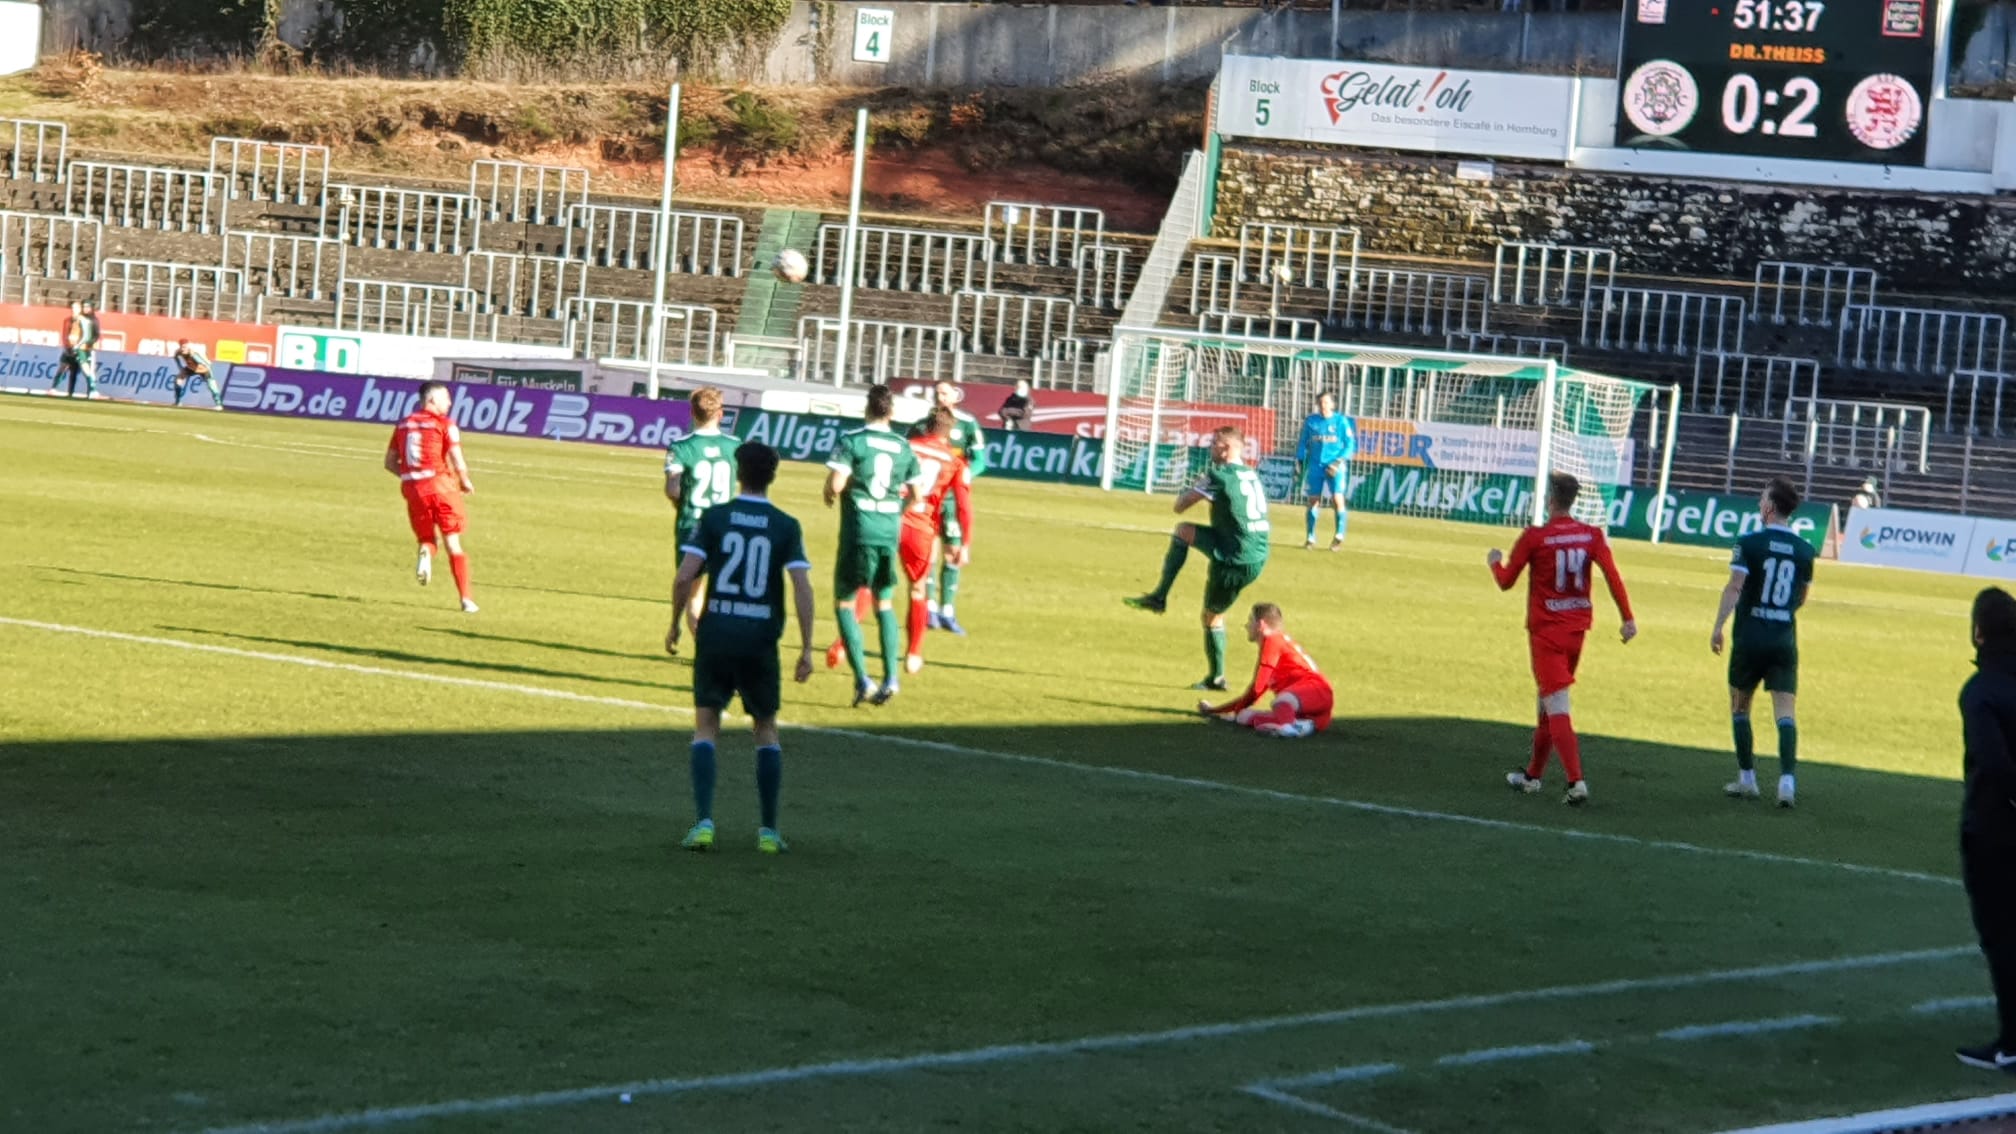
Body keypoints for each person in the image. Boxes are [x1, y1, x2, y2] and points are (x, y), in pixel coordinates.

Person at [668, 442, 815, 856]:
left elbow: (685, 577)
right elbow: (802, 586)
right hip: (760, 638)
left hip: (717, 634)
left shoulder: (715, 518)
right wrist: (806, 648)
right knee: (765, 730)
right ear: (773, 475)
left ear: (739, 473)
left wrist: (678, 622)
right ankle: (768, 833)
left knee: (706, 726)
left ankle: (703, 824)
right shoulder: (786, 525)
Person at [1490, 472, 1637, 805]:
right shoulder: (1591, 535)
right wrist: (1627, 617)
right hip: (1577, 631)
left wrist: (1494, 562)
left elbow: (1505, 581)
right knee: (1546, 703)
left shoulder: (1535, 537)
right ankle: (1532, 777)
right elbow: (1612, 574)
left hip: (1546, 632)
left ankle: (1576, 782)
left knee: (1556, 704)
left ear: (1550, 499)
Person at [1125, 425, 1272, 691]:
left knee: (1212, 617)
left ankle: (1216, 679)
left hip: (1235, 557)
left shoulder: (1218, 475)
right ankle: (1159, 596)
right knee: (1184, 532)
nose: (1210, 448)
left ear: (1226, 449)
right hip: (1255, 551)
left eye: (1215, 443)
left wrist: (1197, 485)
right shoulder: (1250, 473)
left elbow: (1180, 506)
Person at [1711, 477, 1816, 808]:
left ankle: (1747, 779)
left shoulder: (1749, 543)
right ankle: (1787, 783)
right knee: (1785, 712)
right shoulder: (1804, 549)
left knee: (1740, 707)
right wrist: (1780, 613)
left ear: (1770, 507)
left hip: (1750, 637)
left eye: (1761, 500)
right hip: (1784, 637)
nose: (1759, 504)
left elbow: (1734, 587)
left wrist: (1718, 626)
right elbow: (1802, 596)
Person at [826, 384, 922, 706]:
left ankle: (863, 680)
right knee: (884, 603)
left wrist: (829, 493)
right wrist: (896, 512)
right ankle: (891, 679)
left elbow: (836, 484)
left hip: (859, 532)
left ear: (867, 410)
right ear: (891, 412)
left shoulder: (853, 441)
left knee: (844, 603)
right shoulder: (903, 446)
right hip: (888, 532)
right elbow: (918, 496)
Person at [1957, 587, 2016, 1070]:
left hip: (1995, 831)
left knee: (2001, 935)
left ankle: (2013, 1038)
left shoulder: (1980, 693)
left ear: (1979, 633)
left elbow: (1995, 766)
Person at [385, 380, 478, 613]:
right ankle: (466, 600)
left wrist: (411, 477)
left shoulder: (404, 424)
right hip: (442, 486)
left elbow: (389, 462)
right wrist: (465, 480)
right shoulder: (445, 424)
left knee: (427, 539)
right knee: (453, 542)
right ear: (432, 400)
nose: (449, 402)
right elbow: (457, 457)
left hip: (413, 489)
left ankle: (426, 552)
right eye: (446, 397)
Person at [662, 387, 742, 653]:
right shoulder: (735, 447)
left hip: (693, 528)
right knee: (721, 596)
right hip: (725, 531)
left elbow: (673, 489)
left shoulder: (682, 447)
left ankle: (703, 647)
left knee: (693, 594)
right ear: (720, 414)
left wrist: (679, 501)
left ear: (691, 413)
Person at [1197, 602, 1334, 739]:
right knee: (1243, 717)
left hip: (1316, 691)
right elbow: (1255, 692)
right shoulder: (1275, 643)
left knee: (1280, 702)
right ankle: (1297, 725)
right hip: (1309, 711)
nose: (1246, 626)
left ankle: (1289, 727)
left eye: (1250, 620)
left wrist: (1222, 710)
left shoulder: (1272, 641)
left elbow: (1256, 690)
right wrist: (1219, 710)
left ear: (1261, 625)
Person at [920, 380, 987, 635]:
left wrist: (967, 474)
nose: (940, 397)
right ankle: (930, 607)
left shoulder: (967, 424)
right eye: (937, 393)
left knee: (953, 552)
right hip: (927, 497)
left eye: (944, 393)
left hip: (951, 498)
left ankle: (948, 610)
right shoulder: (922, 423)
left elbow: (980, 460)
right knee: (929, 553)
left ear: (955, 397)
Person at [1296, 390, 1357, 551]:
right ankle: (1310, 536)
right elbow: (1303, 443)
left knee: (1337, 499)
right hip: (1316, 466)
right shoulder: (1311, 421)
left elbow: (1350, 445)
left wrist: (1337, 462)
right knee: (1313, 500)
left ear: (1332, 404)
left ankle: (1339, 535)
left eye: (1326, 402)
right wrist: (1299, 460)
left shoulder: (1341, 422)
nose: (1323, 406)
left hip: (1335, 466)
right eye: (1321, 403)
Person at [51, 299, 98, 399]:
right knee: (63, 367)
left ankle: (93, 390)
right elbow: (65, 334)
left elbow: (86, 335)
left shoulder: (84, 321)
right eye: (72, 308)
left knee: (86, 369)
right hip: (69, 348)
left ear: (79, 309)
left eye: (75, 308)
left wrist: (79, 345)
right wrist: (66, 346)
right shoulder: (67, 320)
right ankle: (54, 388)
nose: (73, 310)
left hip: (81, 348)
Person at [170, 339, 222, 409]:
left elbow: (202, 361)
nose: (183, 349)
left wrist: (207, 364)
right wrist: (180, 367)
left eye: (185, 347)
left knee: (212, 386)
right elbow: (175, 357)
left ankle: (219, 404)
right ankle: (178, 402)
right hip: (191, 368)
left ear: (188, 346)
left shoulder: (193, 353)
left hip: (203, 369)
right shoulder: (178, 351)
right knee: (177, 381)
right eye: (182, 347)